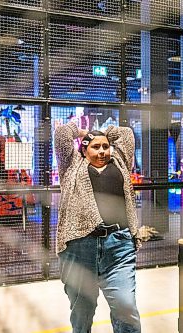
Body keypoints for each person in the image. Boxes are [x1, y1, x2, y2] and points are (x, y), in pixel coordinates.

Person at [54, 120, 142, 333]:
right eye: (95, 146)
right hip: (79, 247)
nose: (102, 150)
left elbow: (126, 134)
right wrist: (85, 133)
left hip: (119, 245)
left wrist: (102, 133)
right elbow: (61, 135)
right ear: (83, 149)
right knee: (82, 311)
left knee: (125, 305)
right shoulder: (72, 165)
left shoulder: (120, 161)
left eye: (105, 146)